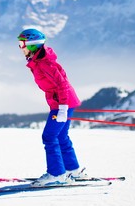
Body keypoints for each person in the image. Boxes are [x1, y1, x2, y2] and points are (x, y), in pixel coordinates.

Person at [17, 28, 88, 187]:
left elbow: (62, 84)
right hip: (63, 103)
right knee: (61, 136)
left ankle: (56, 174)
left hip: (62, 103)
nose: (20, 47)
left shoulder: (45, 63)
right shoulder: (39, 60)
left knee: (49, 137)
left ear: (33, 45)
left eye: (22, 44)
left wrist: (62, 107)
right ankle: (72, 170)